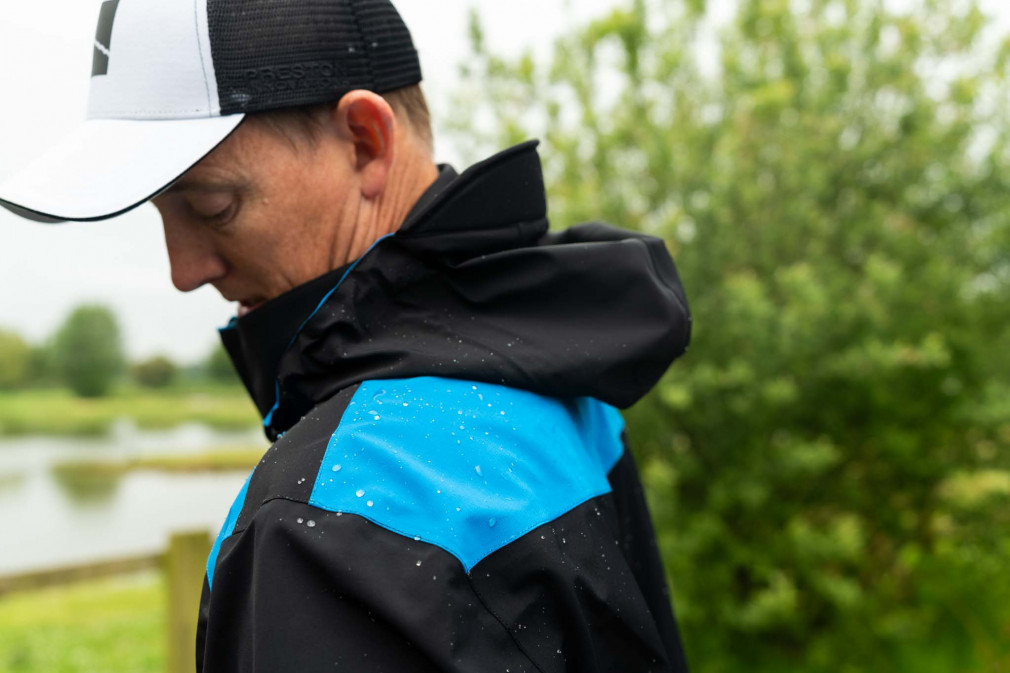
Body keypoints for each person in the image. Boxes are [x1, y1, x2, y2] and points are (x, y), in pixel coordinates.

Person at [0, 0, 693, 670]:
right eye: (160, 212)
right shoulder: (553, 368)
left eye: (212, 205)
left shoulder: (328, 519)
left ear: (365, 141)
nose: (184, 270)